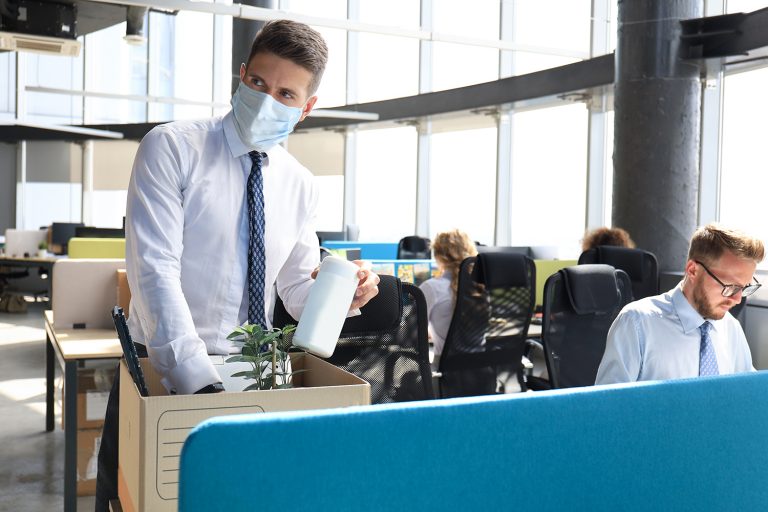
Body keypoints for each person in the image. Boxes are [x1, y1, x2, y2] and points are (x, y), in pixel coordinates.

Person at [94, 20, 379, 510]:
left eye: (286, 93)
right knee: (142, 499)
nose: (269, 99)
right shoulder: (173, 148)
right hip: (165, 371)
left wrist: (343, 296)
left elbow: (294, 288)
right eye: (259, 84)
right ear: (241, 76)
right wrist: (200, 386)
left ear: (306, 109)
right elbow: (154, 272)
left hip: (257, 376)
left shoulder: (301, 184)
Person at [595, 223, 763, 384]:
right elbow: (607, 407)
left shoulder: (731, 328)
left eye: (745, 287)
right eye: (731, 286)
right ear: (693, 270)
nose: (737, 299)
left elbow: (747, 395)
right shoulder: (636, 323)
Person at [419, 229, 477, 367]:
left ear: (438, 257)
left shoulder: (431, 288)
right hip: (483, 374)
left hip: (446, 376)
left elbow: (407, 335)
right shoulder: (481, 286)